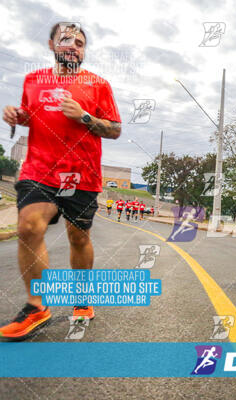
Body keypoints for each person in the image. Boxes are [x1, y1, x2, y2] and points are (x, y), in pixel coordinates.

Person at [0, 23, 121, 341]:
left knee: (78, 238)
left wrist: (84, 117)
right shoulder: (33, 80)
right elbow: (30, 115)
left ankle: (83, 299)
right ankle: (36, 307)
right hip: (40, 170)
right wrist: (15, 115)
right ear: (52, 44)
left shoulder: (99, 85)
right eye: (67, 40)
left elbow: (114, 129)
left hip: (82, 174)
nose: (74, 46)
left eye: (80, 43)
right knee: (28, 226)